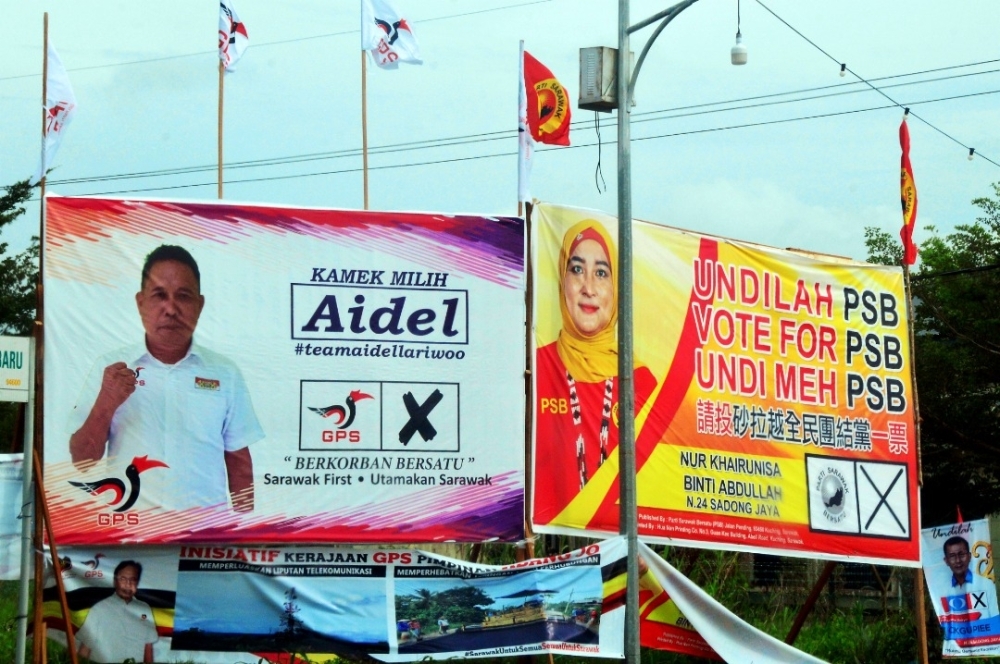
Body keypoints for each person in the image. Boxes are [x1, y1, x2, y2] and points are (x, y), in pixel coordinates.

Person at [68, 244, 264, 512]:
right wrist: (107, 402)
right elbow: (83, 460)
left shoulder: (224, 373)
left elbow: (239, 464)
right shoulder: (112, 369)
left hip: (203, 539)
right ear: (140, 303)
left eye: (183, 296)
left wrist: (243, 539)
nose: (171, 309)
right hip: (130, 535)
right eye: (159, 295)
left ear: (200, 304)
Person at [534, 220, 657, 523]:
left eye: (601, 273)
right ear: (561, 280)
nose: (588, 288)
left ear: (616, 291)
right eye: (576, 270)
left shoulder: (639, 380)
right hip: (550, 546)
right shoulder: (535, 369)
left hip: (622, 546)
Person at [76, 560, 158, 663]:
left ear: (137, 582)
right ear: (115, 581)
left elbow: (148, 646)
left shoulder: (145, 609)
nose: (128, 585)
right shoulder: (99, 609)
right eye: (123, 579)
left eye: (133, 580)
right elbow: (85, 647)